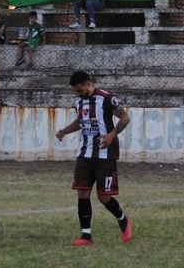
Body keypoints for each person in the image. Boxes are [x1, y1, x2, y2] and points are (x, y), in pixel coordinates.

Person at [55, 71, 132, 247]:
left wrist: (112, 135)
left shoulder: (106, 98)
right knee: (82, 192)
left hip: (105, 154)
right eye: (76, 91)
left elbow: (125, 118)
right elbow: (80, 121)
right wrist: (64, 131)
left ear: (89, 83)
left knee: (104, 197)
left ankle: (123, 220)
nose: (78, 94)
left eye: (80, 90)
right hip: (85, 154)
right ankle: (86, 235)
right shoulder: (78, 102)